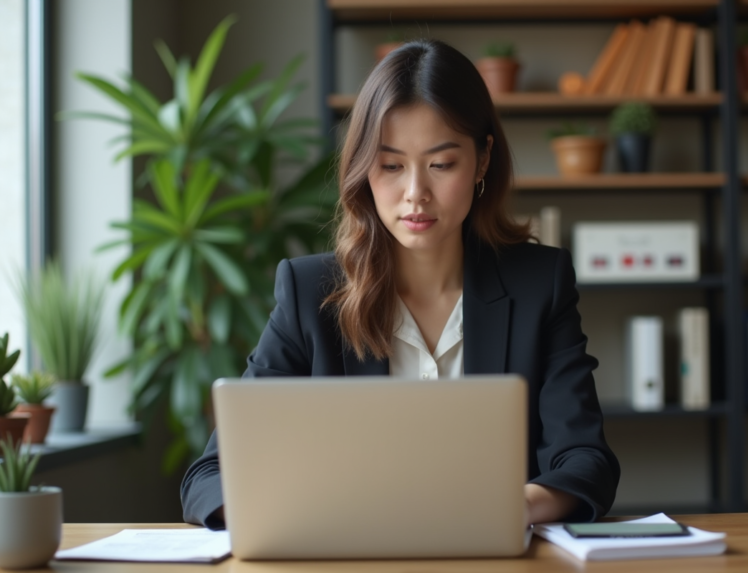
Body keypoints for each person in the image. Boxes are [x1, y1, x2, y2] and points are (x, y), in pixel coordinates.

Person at [181, 38, 620, 530]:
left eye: (441, 164)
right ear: (364, 168)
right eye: (390, 166)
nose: (415, 194)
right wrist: (297, 516)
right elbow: (209, 475)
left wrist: (510, 508)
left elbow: (587, 462)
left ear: (482, 160)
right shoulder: (309, 293)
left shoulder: (541, 284)